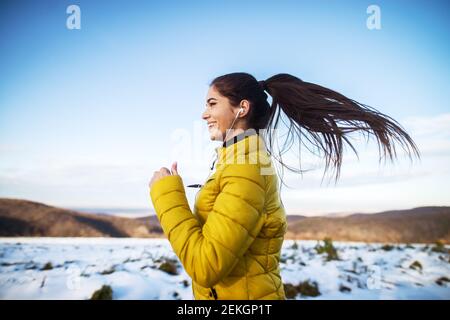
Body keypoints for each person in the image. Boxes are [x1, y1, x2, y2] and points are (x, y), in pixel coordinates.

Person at [149, 72, 419, 300]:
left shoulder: (247, 168)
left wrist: (167, 195)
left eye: (211, 104)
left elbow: (207, 265)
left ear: (241, 108)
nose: (204, 114)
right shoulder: (236, 162)